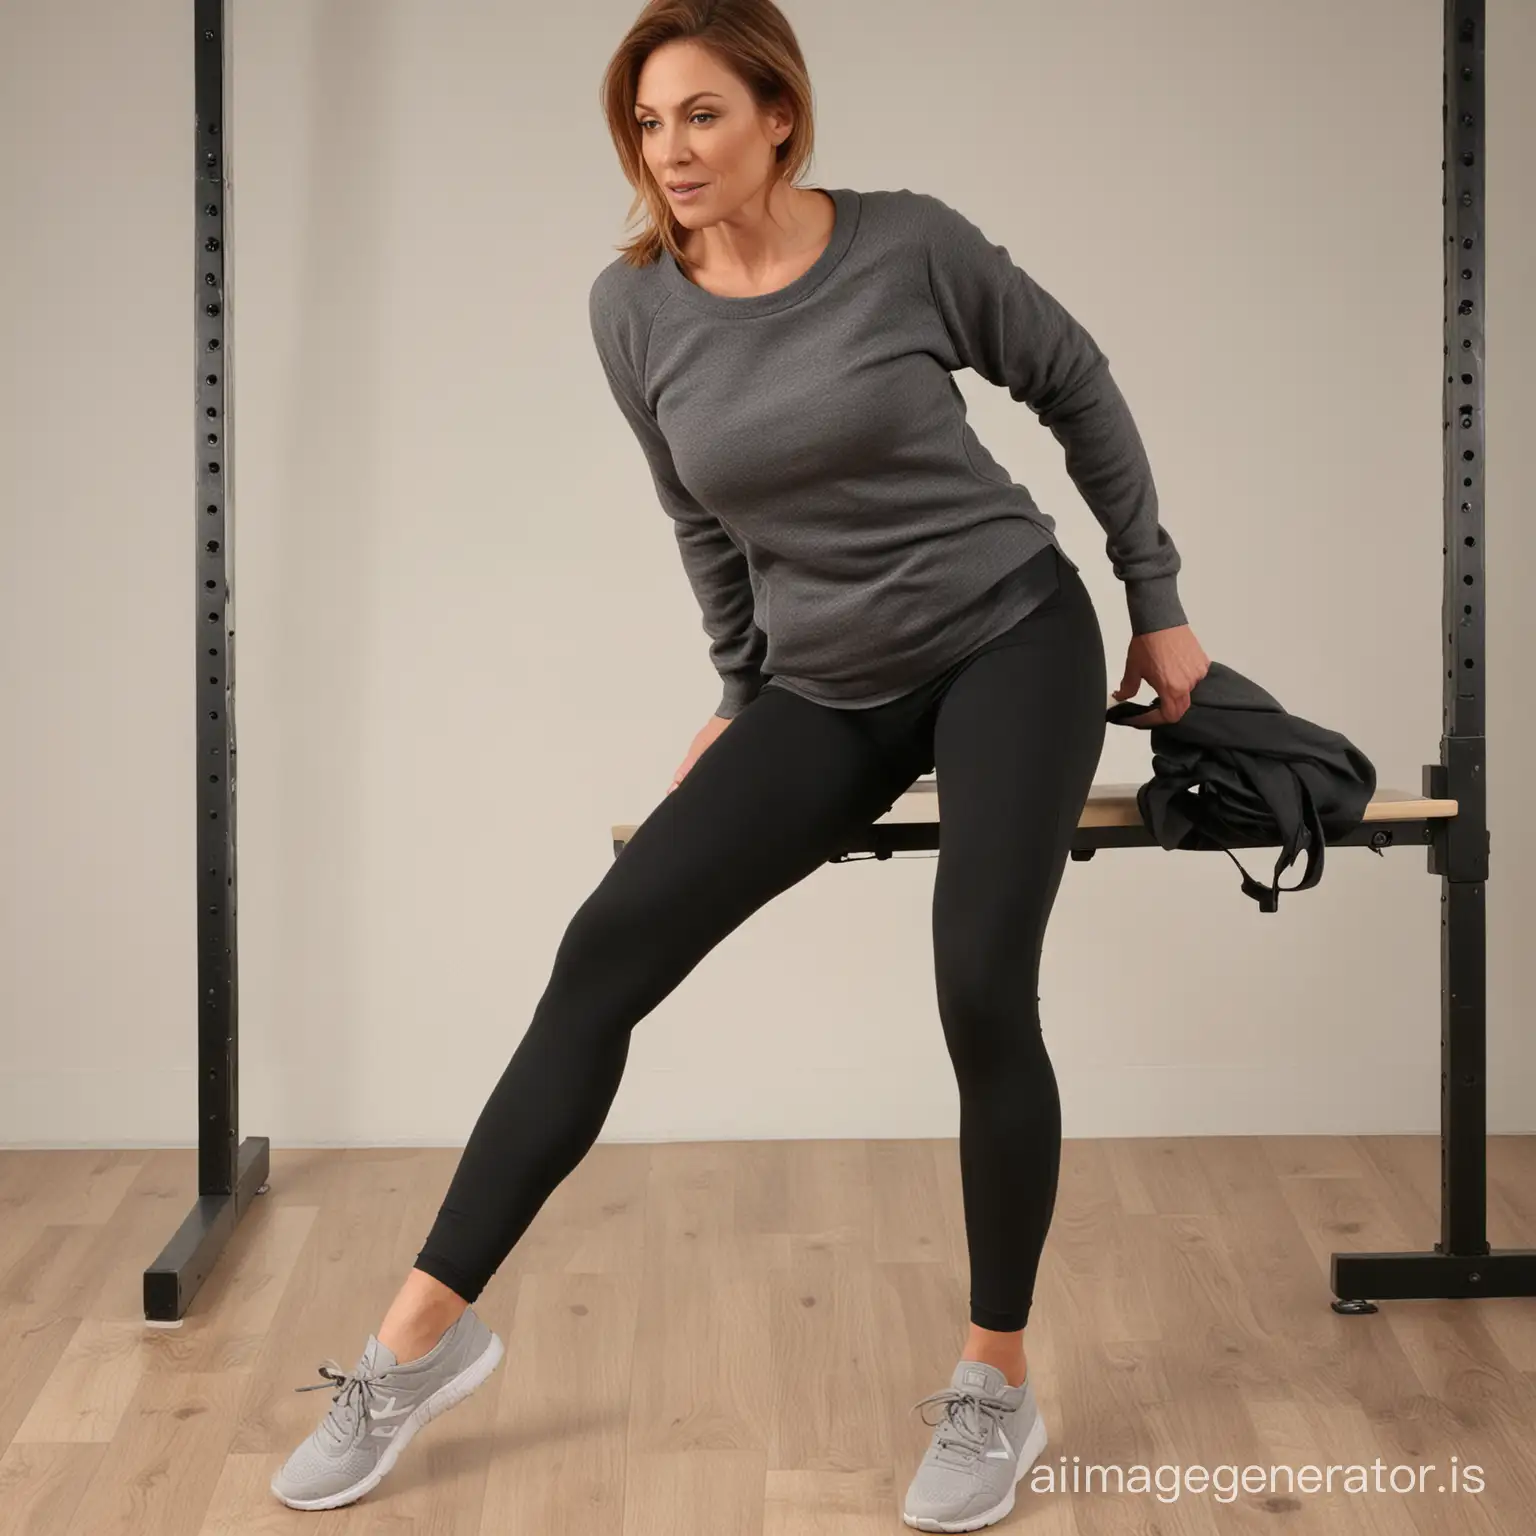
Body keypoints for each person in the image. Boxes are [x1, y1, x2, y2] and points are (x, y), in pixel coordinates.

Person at [271, 0, 1211, 1524]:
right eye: (647, 124)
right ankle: (415, 1345)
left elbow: (1077, 380)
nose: (671, 152)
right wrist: (738, 692)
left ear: (781, 113)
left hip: (1005, 637)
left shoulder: (906, 244)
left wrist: (1157, 604)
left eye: (701, 114)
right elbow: (700, 518)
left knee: (979, 978)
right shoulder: (634, 307)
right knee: (605, 948)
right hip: (827, 684)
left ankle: (995, 1384)